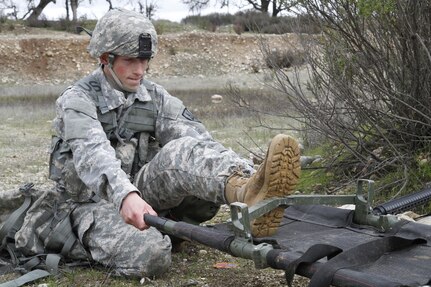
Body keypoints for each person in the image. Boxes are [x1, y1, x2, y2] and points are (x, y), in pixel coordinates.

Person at [14, 8, 301, 278]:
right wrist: (126, 196)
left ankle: (248, 191)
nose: (140, 70)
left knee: (184, 149)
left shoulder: (153, 95)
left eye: (145, 60)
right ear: (105, 58)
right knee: (151, 256)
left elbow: (196, 139)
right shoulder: (77, 100)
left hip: (141, 191)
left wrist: (240, 168)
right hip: (89, 203)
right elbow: (94, 156)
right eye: (130, 61)